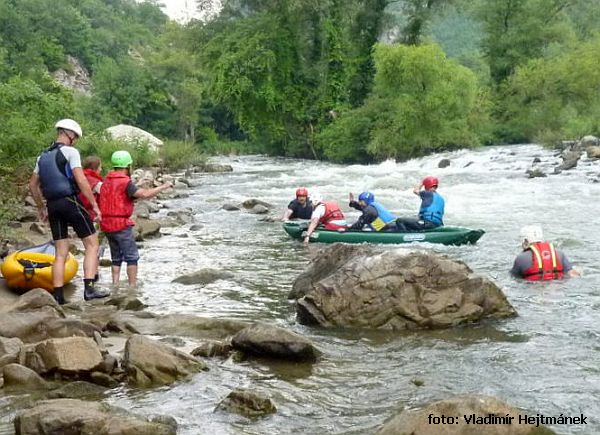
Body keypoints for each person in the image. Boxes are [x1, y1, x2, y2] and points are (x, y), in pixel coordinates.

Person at [28, 119, 109, 304]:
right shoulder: (71, 152)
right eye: (76, 137)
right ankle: (89, 289)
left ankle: (58, 295)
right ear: (69, 134)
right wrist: (94, 205)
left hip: (53, 205)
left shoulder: (42, 156)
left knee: (60, 251)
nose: (76, 141)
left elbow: (33, 185)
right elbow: (81, 181)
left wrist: (41, 208)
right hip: (70, 201)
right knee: (92, 244)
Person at [99, 150, 173, 287]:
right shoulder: (125, 183)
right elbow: (144, 194)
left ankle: (115, 285)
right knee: (132, 257)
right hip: (121, 224)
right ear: (127, 166)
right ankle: (132, 287)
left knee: (116, 257)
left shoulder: (106, 181)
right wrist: (163, 186)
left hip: (107, 225)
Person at [510, 225, 579, 280]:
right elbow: (572, 274)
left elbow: (514, 278)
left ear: (525, 241)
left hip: (534, 290)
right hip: (558, 289)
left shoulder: (521, 258)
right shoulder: (559, 254)